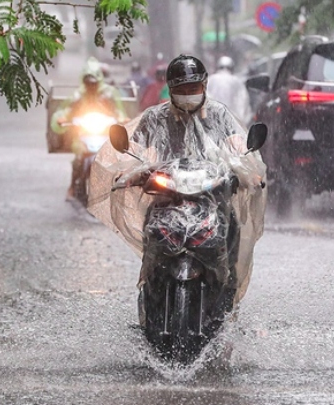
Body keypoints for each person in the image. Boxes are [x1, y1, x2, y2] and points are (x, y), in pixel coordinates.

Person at [87, 54, 267, 311]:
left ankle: (227, 292)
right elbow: (135, 149)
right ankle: (150, 287)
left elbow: (237, 145)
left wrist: (248, 172)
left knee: (232, 228)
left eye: (192, 88)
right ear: (170, 90)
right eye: (181, 89)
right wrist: (129, 172)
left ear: (204, 86)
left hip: (211, 192)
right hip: (167, 192)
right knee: (153, 229)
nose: (187, 93)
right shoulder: (155, 118)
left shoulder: (219, 114)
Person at [51, 57, 127, 201]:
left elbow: (119, 112)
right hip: (84, 135)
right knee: (78, 158)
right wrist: (62, 119)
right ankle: (73, 186)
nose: (91, 86)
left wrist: (123, 120)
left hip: (105, 134)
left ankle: (119, 187)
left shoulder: (109, 94)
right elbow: (66, 110)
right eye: (88, 83)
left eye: (93, 83)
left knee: (117, 158)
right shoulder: (78, 96)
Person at [206, 55, 252, 125]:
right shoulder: (237, 81)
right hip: (232, 122)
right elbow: (243, 102)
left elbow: (205, 97)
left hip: (213, 121)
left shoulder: (210, 79)